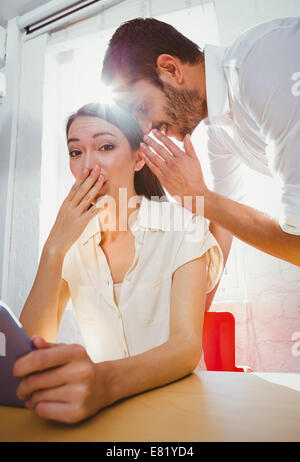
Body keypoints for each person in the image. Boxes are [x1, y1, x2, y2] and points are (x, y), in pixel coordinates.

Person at [14, 102, 223, 424]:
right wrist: (53, 247)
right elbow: (28, 351)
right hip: (107, 415)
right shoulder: (71, 245)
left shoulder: (183, 224)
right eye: (75, 152)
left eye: (106, 147)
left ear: (139, 158)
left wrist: (104, 381)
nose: (88, 167)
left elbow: (185, 347)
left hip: (183, 409)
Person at [100, 17, 300, 299]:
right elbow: (224, 225)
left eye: (141, 107)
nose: (145, 129)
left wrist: (200, 197)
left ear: (170, 69)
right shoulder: (220, 134)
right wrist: (195, 320)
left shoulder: (262, 69)